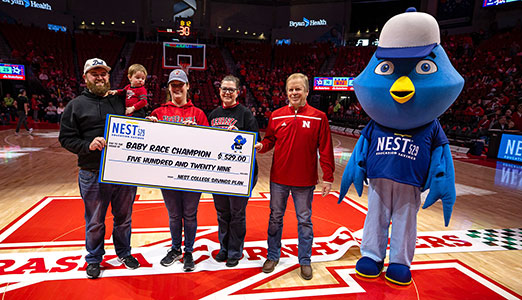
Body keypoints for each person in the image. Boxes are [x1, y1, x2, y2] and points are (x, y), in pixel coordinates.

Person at [59, 58, 140, 279]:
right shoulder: (75, 105)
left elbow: (138, 118)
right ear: (85, 78)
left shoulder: (119, 100)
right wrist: (87, 145)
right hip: (92, 173)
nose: (100, 77)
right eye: (94, 73)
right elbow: (66, 138)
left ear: (108, 76)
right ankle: (94, 258)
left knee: (124, 218)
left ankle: (124, 253)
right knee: (95, 221)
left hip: (123, 172)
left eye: (103, 73)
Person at [254, 73, 335, 280]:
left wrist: (328, 176)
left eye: (298, 89)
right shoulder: (277, 115)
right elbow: (270, 140)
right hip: (278, 178)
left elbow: (325, 148)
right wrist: (262, 146)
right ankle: (273, 255)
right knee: (275, 218)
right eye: (290, 89)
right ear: (286, 92)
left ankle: (305, 260)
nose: (294, 93)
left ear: (307, 91)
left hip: (305, 181)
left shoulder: (319, 117)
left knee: (305, 221)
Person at [147, 69, 209, 272]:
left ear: (188, 86)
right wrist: (150, 127)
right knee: (174, 215)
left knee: (190, 215)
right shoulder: (159, 112)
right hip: (168, 175)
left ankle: (189, 251)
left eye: (180, 84)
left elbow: (210, 145)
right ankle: (175, 249)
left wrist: (199, 132)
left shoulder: (198, 113)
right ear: (169, 88)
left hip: (192, 175)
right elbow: (148, 142)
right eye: (173, 85)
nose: (177, 88)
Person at [207, 75, 259, 267]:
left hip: (240, 176)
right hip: (219, 175)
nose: (227, 92)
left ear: (238, 92)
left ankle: (235, 252)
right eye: (224, 88)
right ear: (219, 91)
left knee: (237, 214)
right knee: (222, 213)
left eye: (231, 89)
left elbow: (255, 140)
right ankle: (224, 248)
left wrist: (237, 136)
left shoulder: (246, 114)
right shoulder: (213, 115)